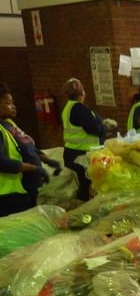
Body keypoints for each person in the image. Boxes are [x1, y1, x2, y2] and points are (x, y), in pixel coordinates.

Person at [0, 83, 60, 216]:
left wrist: (48, 160)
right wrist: (34, 168)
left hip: (26, 188)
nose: (13, 106)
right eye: (8, 103)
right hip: (8, 195)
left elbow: (27, 146)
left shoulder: (8, 124)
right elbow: (1, 162)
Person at [61, 77, 106, 202]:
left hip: (72, 152)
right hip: (82, 155)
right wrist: (103, 127)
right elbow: (94, 128)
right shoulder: (79, 108)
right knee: (87, 187)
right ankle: (85, 213)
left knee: (83, 185)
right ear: (82, 93)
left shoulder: (67, 107)